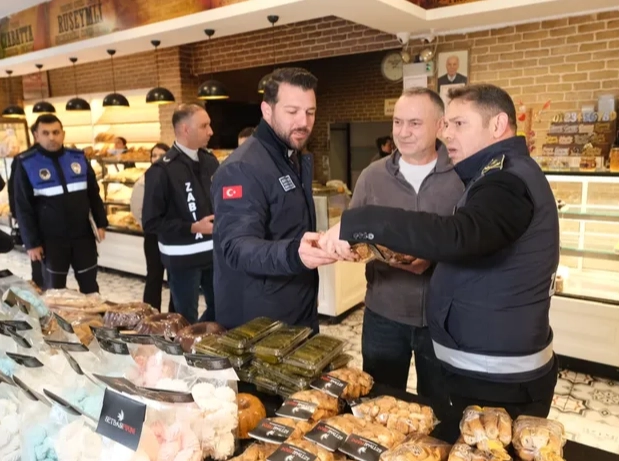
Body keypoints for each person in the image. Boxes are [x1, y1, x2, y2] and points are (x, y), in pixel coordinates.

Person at [320, 84, 560, 428]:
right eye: (449, 125)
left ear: (497, 125)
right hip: (480, 365)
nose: (449, 134)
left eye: (459, 124)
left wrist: (362, 221)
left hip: (498, 376)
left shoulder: (505, 179)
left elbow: (460, 234)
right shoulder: (494, 173)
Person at [351, 87, 465, 405]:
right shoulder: (372, 177)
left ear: (440, 125)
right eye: (397, 122)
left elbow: (475, 242)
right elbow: (354, 234)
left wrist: (434, 258)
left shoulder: (462, 176)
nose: (402, 132)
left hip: (444, 319)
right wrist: (377, 251)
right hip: (383, 314)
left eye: (414, 123)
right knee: (379, 403)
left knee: (442, 407)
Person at [212, 67, 337, 331]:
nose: (304, 121)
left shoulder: (291, 155)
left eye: (310, 112)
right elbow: (237, 248)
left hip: (297, 306)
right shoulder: (242, 168)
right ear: (267, 110)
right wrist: (295, 253)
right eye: (292, 111)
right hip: (260, 322)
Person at [13, 114, 108, 294]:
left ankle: (94, 313)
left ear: (63, 134)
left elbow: (93, 194)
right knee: (54, 292)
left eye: (56, 132)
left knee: (90, 287)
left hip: (82, 236)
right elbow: (23, 207)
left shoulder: (78, 158)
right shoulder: (27, 163)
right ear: (36, 136)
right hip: (51, 241)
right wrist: (31, 243)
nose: (52, 137)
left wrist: (100, 222)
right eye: (46, 133)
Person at [142, 104, 218, 324]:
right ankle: (187, 344)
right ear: (185, 129)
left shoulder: (210, 161)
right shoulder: (161, 171)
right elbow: (151, 222)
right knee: (185, 319)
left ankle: (203, 338)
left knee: (221, 309)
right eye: (204, 126)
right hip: (182, 260)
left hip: (214, 255)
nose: (211, 131)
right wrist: (192, 227)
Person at [130, 142, 175, 312]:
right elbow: (136, 207)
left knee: (175, 278)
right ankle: (150, 314)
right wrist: (147, 223)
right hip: (153, 235)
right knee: (154, 276)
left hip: (171, 234)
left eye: (161, 155)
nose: (156, 159)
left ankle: (173, 315)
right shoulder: (144, 180)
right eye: (154, 155)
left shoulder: (175, 178)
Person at [8, 140, 44, 289]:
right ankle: (41, 286)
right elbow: (14, 191)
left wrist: (16, 215)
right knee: (38, 254)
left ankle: (41, 285)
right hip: (35, 216)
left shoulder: (21, 158)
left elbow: (12, 190)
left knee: (38, 256)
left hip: (33, 216)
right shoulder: (24, 159)